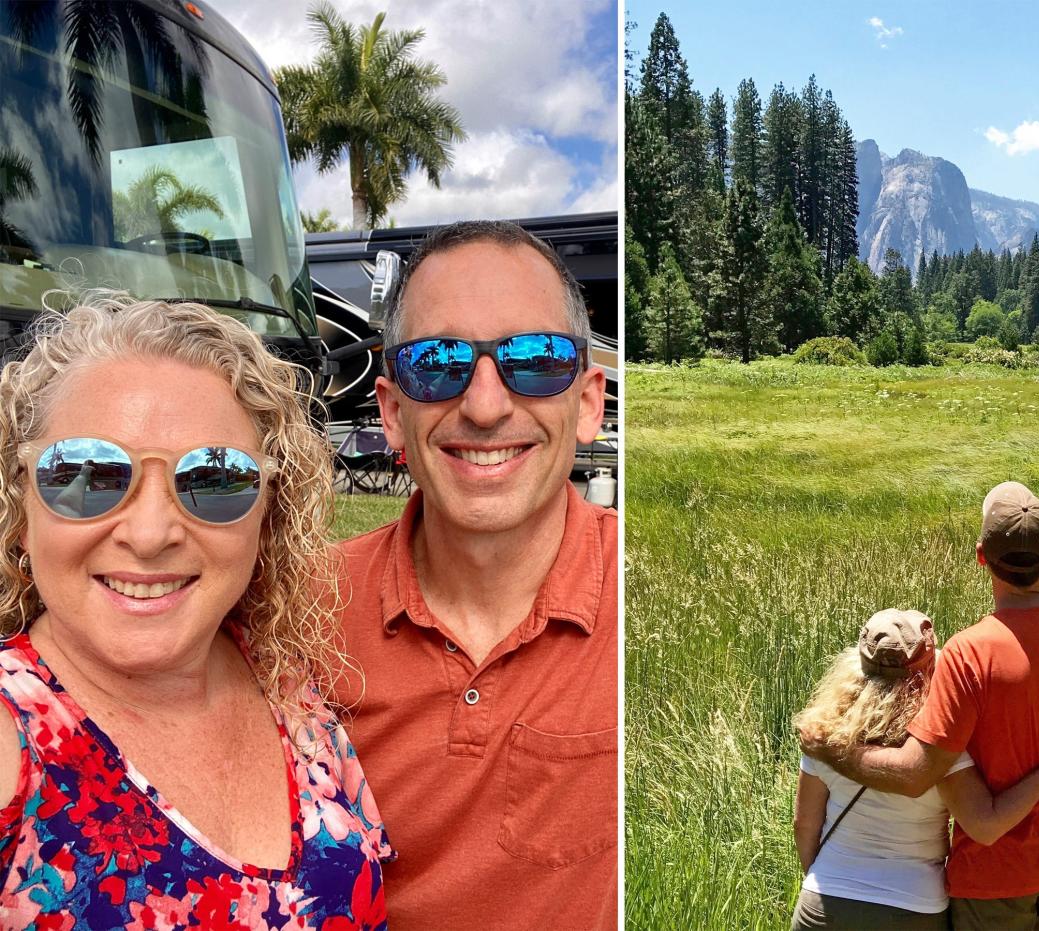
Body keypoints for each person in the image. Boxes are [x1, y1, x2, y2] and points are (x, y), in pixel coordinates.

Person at [0, 297, 391, 927]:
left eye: (214, 479)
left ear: (268, 514)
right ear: (22, 508)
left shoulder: (289, 693)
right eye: (86, 474)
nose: (151, 533)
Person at [335, 220, 617, 929]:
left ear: (588, 402)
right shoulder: (295, 610)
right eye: (438, 362)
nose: (486, 405)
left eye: (535, 358)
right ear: (393, 414)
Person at [803, 483, 1039, 930]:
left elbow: (916, 773)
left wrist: (828, 748)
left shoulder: (968, 653)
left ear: (980, 557)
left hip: (994, 880)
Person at [792, 608, 1039, 931]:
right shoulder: (937, 751)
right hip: (910, 908)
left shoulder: (824, 735)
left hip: (821, 904)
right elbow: (987, 825)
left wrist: (830, 885)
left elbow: (804, 824)